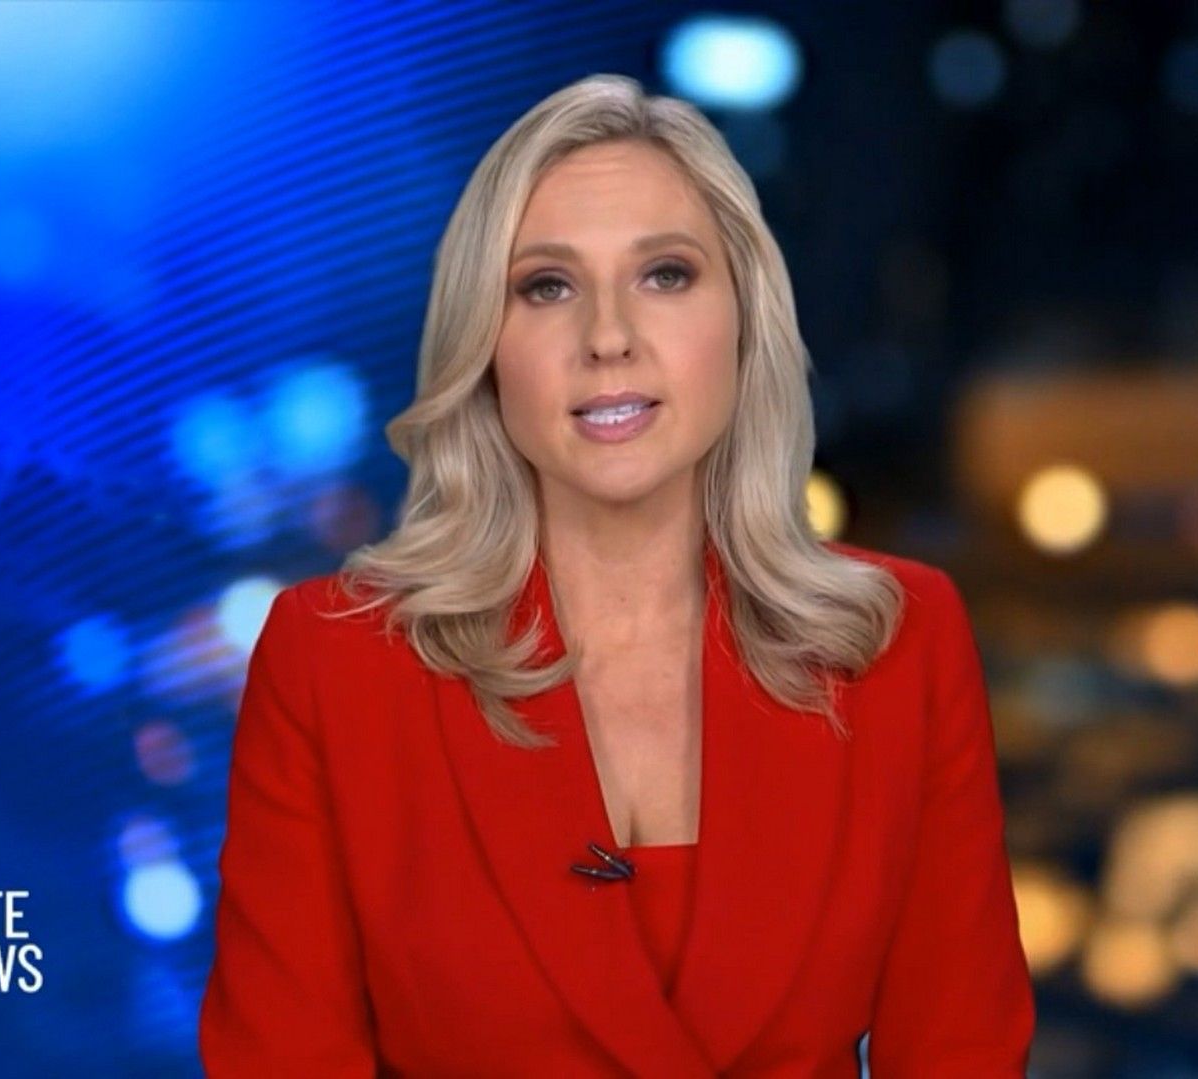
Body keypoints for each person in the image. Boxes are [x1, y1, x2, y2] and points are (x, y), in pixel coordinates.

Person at [199, 72, 1034, 1076]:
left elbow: (960, 1048)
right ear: (484, 345)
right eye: (546, 286)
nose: (607, 338)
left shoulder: (899, 639)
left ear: (744, 319)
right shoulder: (333, 662)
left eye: (665, 275)